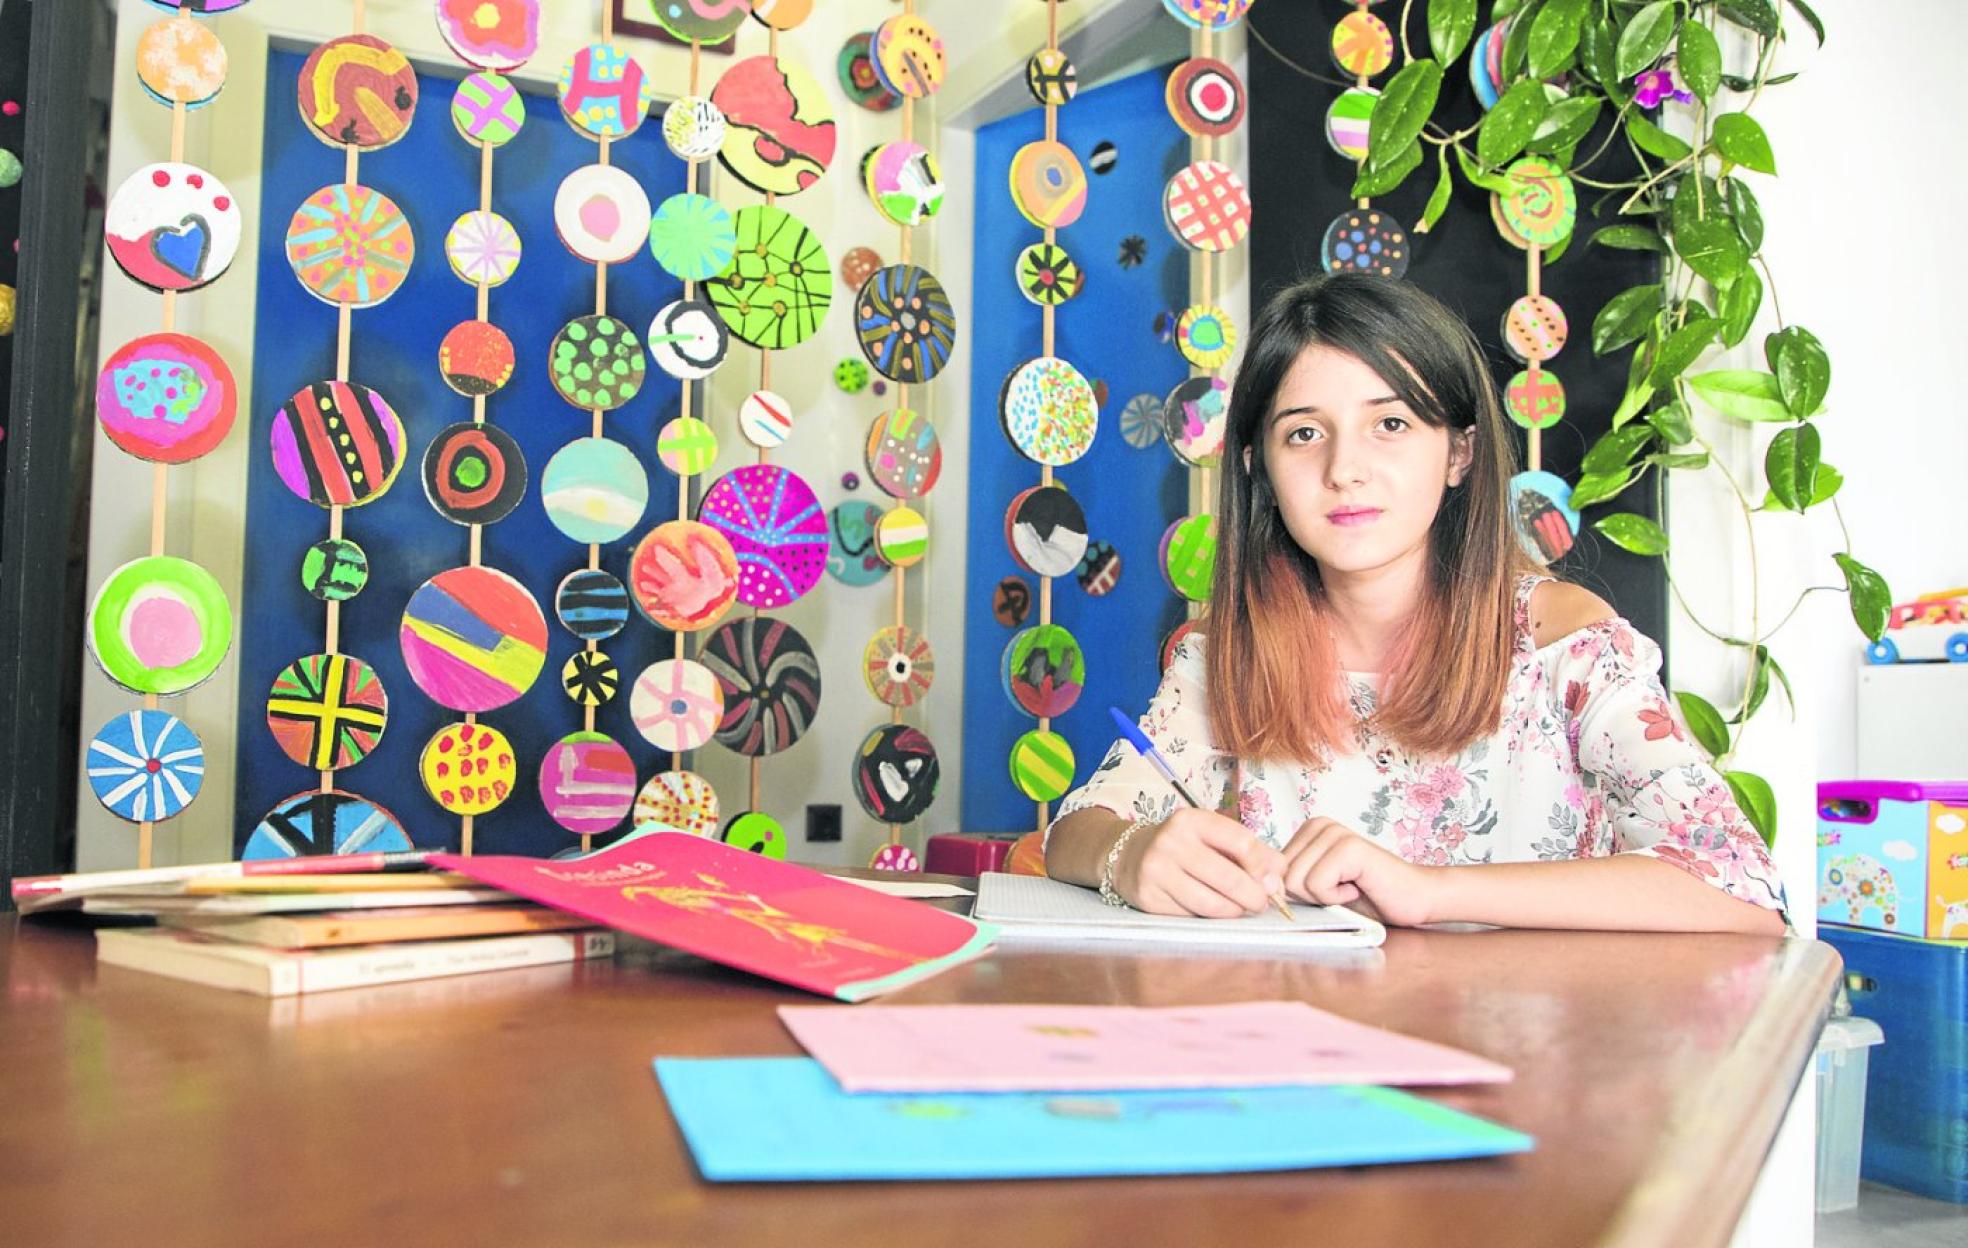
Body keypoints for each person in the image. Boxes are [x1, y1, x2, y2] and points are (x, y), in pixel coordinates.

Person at [1045, 274, 1785, 934]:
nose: (1345, 469)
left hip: (1530, 1067)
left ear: (1459, 453)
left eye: (1390, 424)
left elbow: (1740, 887)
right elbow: (1074, 830)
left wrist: (1429, 893)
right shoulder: (1227, 652)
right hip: (1306, 1061)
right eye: (1303, 434)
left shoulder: (1564, 644)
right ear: (1259, 469)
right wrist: (1131, 851)